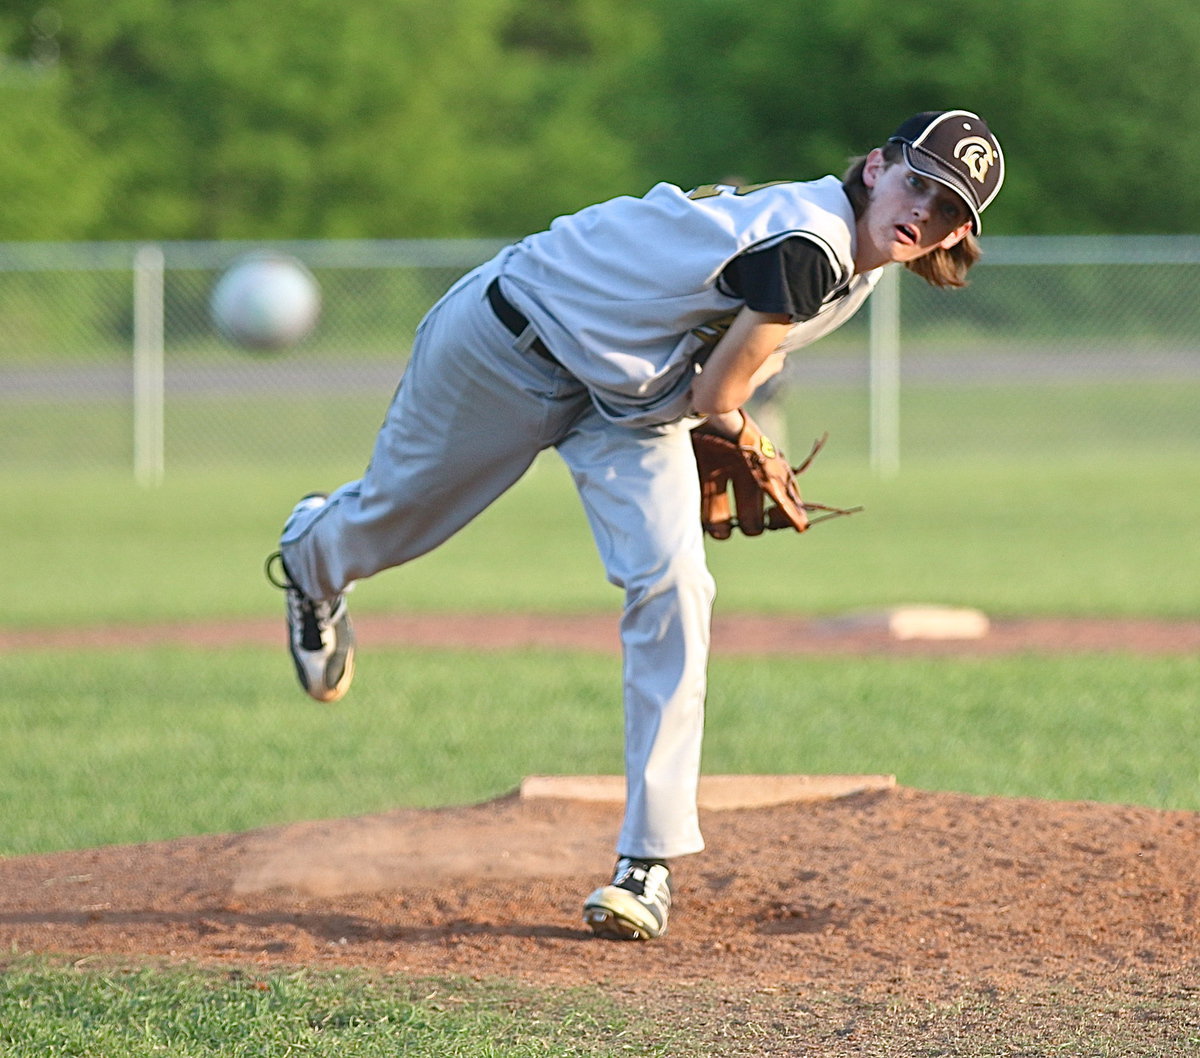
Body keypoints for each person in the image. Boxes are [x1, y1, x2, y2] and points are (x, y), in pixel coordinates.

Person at [265, 110, 1005, 941]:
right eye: (919, 185)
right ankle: (313, 559)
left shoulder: (855, 270)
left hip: (630, 406)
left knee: (677, 584)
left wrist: (720, 422)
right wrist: (746, 439)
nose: (924, 215)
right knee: (392, 524)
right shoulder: (812, 241)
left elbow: (710, 375)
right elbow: (720, 399)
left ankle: (645, 862)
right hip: (510, 343)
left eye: (948, 210)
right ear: (876, 166)